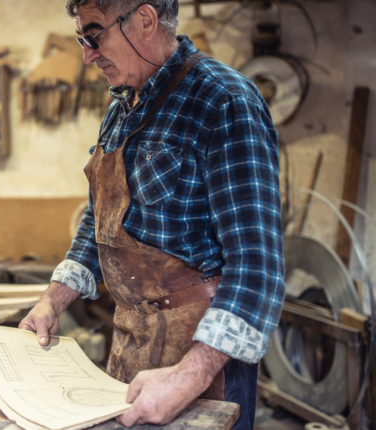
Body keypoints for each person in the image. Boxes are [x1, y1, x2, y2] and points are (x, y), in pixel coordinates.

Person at [19, 1, 285, 428]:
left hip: (200, 357)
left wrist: (190, 376)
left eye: (94, 35)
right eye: (81, 40)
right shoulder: (121, 109)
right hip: (130, 344)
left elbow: (258, 266)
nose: (87, 55)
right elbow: (100, 222)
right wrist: (54, 299)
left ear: (144, 20)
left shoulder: (224, 100)